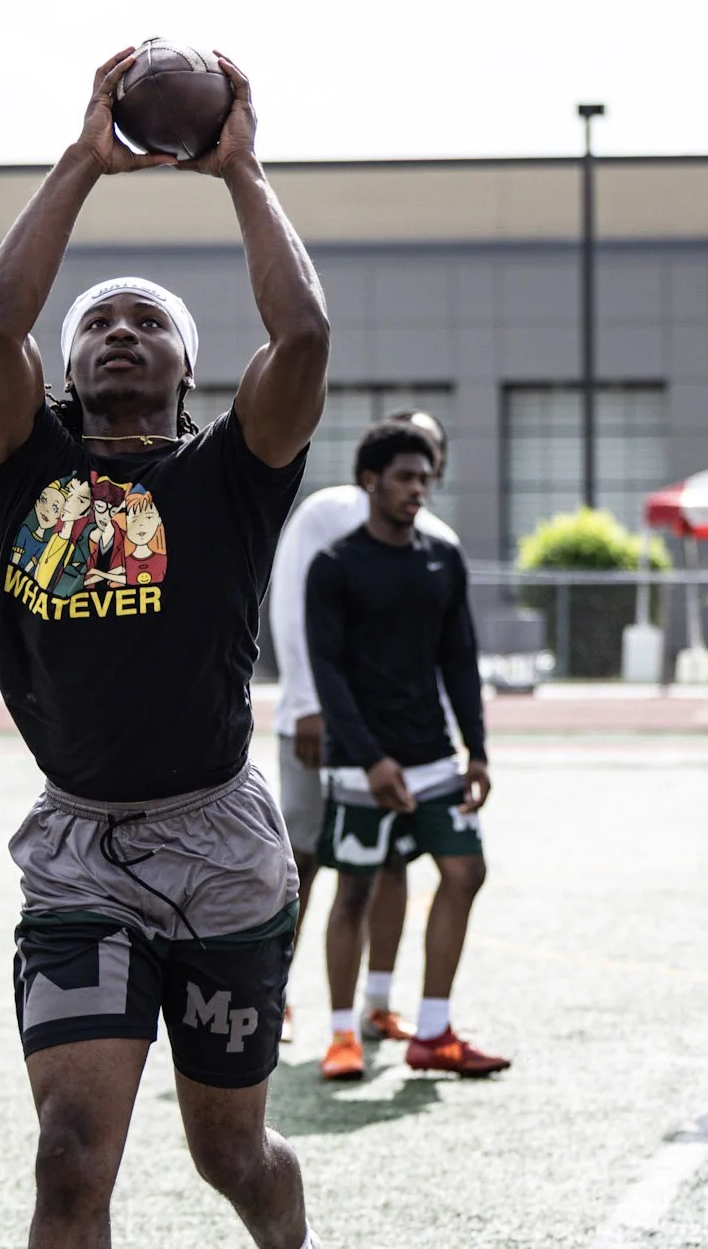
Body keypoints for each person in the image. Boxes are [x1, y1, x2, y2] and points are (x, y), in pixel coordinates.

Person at [0, 47, 331, 1248]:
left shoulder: (229, 472)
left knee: (230, 1151)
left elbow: (305, 337)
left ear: (187, 369)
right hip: (76, 856)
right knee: (69, 1163)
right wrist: (82, 161)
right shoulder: (27, 465)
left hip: (217, 847)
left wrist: (240, 172)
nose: (119, 332)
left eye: (147, 322)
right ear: (65, 370)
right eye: (98, 323)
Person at [305, 421, 509, 1080]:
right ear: (371, 480)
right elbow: (327, 673)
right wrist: (370, 758)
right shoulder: (334, 564)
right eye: (405, 477)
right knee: (356, 887)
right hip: (361, 760)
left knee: (465, 871)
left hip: (432, 755)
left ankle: (433, 1030)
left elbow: (460, 658)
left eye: (426, 477)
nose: (419, 488)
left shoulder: (440, 558)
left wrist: (475, 748)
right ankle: (342, 1034)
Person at [267, 410, 458, 1045]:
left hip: (395, 744)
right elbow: (292, 611)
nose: (419, 466)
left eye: (429, 454)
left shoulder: (433, 541)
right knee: (305, 862)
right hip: (318, 726)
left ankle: (377, 1004)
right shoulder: (326, 515)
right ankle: (275, 999)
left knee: (389, 865)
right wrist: (306, 706)